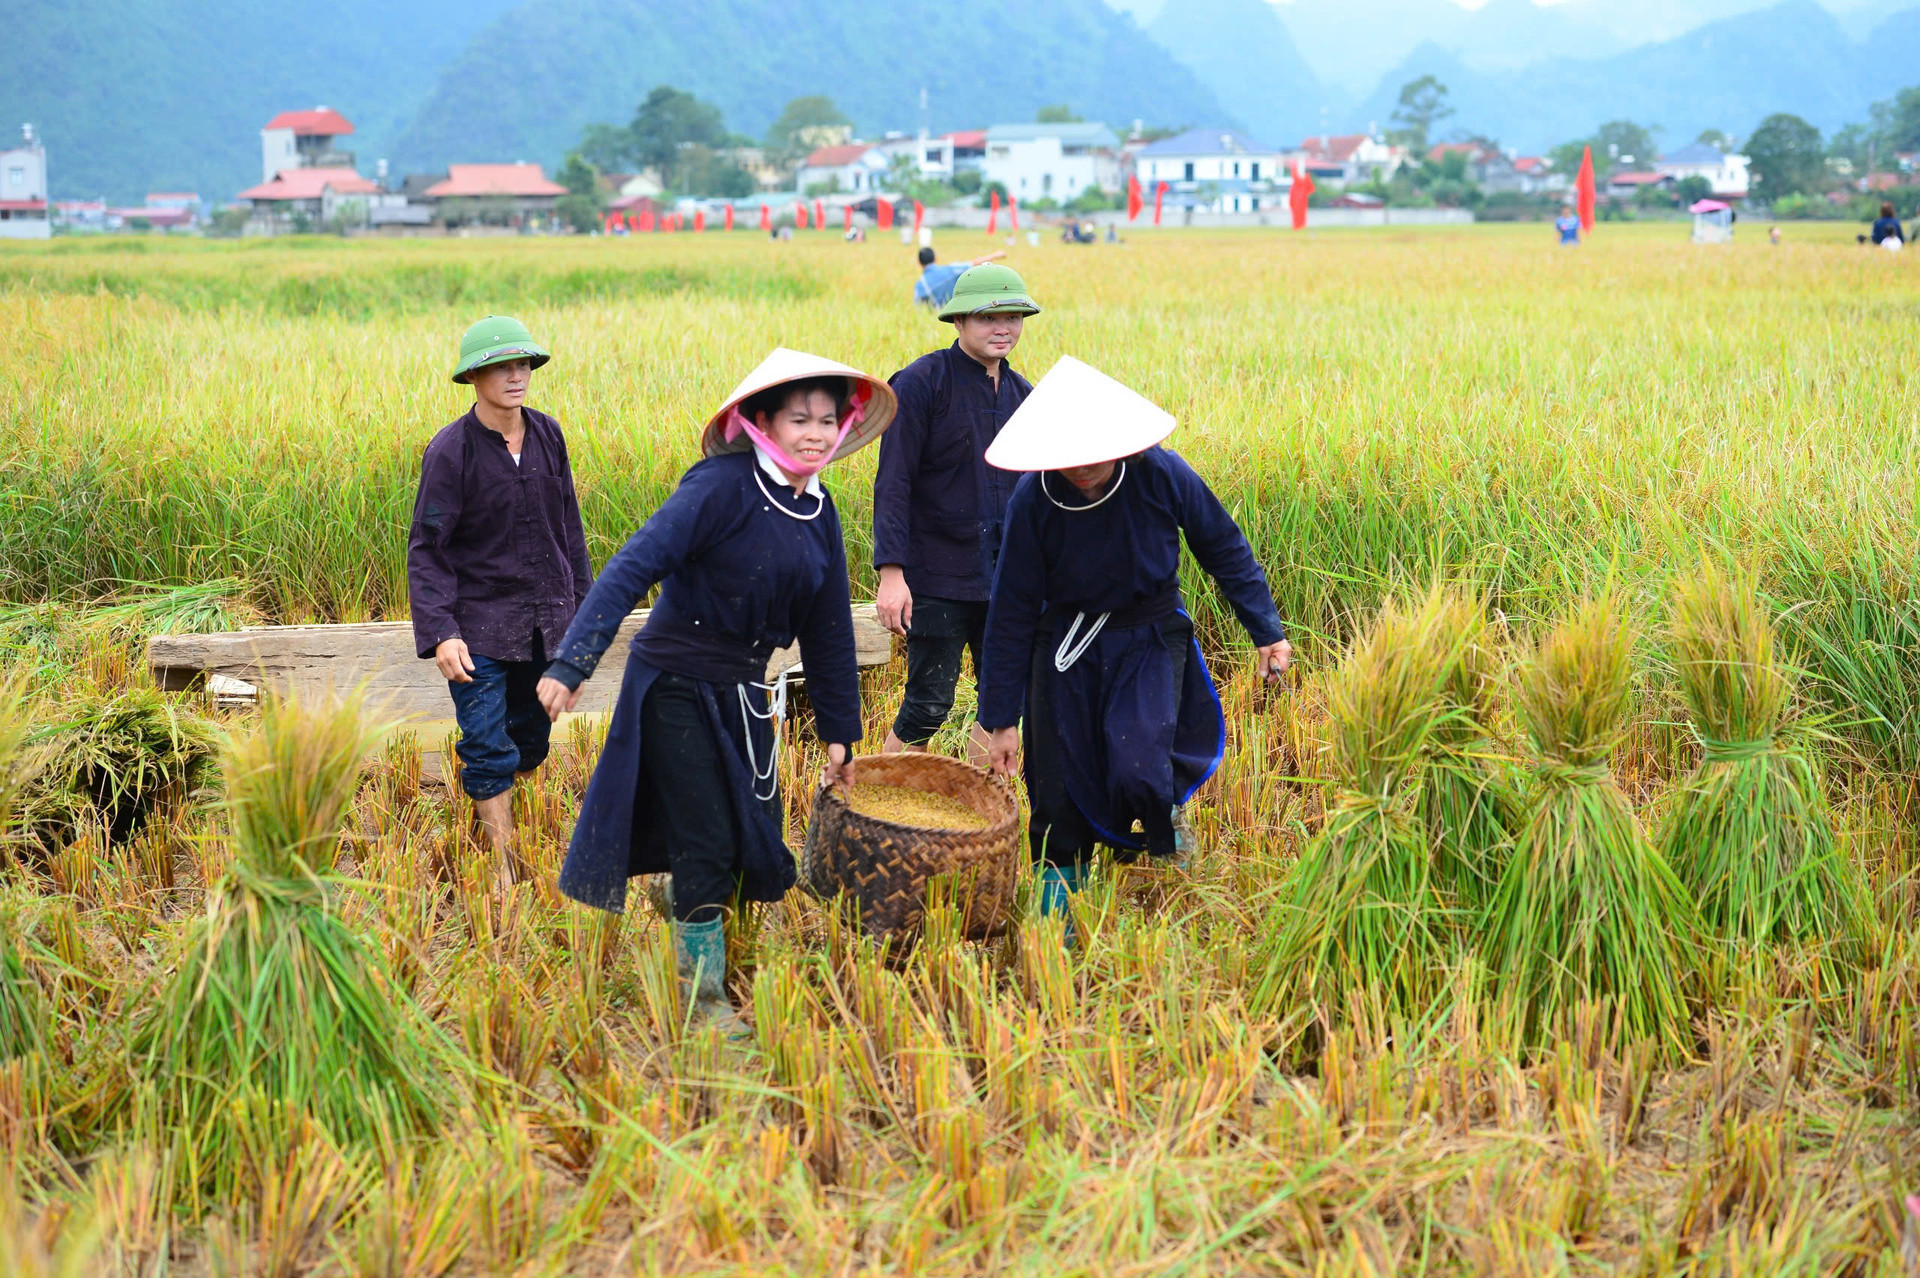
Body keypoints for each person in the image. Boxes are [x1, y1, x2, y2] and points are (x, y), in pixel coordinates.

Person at [534, 349, 894, 1032]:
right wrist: (571, 664)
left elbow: (828, 632)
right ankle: (701, 1004)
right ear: (763, 423)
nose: (815, 434)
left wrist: (840, 733)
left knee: (742, 840)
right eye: (799, 420)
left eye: (827, 420)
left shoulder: (819, 511)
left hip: (742, 689)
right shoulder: (720, 486)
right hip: (674, 679)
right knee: (706, 840)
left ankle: (682, 902)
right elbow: (631, 566)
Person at [976, 357, 1291, 929]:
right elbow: (1010, 612)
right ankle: (1057, 924)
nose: (1082, 466)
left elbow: (1223, 547)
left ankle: (1159, 824)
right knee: (1058, 792)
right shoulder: (1033, 499)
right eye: (1068, 453)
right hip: (1063, 648)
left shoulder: (1162, 474)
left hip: (1147, 637)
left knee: (1138, 767)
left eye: (1094, 451)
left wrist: (1265, 630)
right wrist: (1000, 719)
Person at [408, 315, 593, 893]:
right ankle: (502, 867)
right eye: (501, 367)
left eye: (523, 364)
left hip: (545, 623)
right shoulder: (451, 451)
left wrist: (583, 624)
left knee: (529, 741)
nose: (516, 376)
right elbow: (428, 547)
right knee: (487, 746)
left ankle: (491, 821)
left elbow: (570, 531)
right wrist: (442, 631)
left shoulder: (548, 435)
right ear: (473, 377)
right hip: (478, 629)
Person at [874, 263, 1041, 766]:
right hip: (937, 577)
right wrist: (891, 574)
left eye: (1013, 317)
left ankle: (977, 806)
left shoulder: (1025, 397)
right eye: (989, 317)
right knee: (927, 706)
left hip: (1006, 581)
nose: (1003, 328)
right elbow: (893, 482)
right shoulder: (921, 383)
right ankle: (886, 802)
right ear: (959, 320)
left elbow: (1041, 497)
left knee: (1002, 707)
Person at [912, 246, 1004, 309]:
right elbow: (974, 263)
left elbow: (918, 307)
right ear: (935, 258)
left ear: (919, 262)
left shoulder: (921, 284)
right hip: (957, 312)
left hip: (938, 317)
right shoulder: (951, 269)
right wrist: (995, 255)